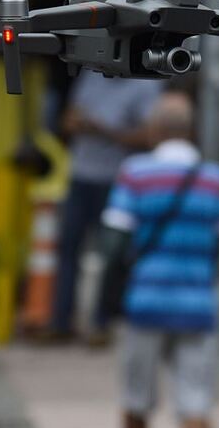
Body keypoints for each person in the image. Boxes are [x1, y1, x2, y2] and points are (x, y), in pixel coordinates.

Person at [86, 93, 219, 428]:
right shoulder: (215, 178)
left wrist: (101, 309)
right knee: (196, 406)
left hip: (145, 302)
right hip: (198, 305)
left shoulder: (135, 173)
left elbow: (114, 243)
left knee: (136, 399)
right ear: (189, 130)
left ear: (157, 130)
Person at [41, 71, 162, 344]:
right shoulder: (91, 75)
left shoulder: (146, 82)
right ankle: (61, 321)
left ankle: (102, 323)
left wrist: (105, 131)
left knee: (112, 255)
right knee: (68, 249)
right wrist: (73, 124)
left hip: (117, 181)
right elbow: (67, 120)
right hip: (80, 175)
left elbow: (152, 135)